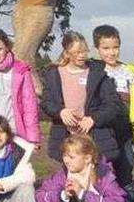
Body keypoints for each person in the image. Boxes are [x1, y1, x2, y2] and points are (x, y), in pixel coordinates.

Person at [92, 24, 134, 202]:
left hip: (126, 132)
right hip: (102, 132)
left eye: (115, 47)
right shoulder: (93, 70)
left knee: (125, 174)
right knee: (102, 174)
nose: (111, 53)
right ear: (97, 48)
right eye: (106, 48)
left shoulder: (130, 71)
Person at [41, 32, 122, 164]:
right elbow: (46, 102)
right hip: (66, 136)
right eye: (77, 52)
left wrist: (94, 119)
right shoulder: (53, 73)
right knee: (71, 180)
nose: (82, 55)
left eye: (84, 51)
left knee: (100, 180)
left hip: (94, 136)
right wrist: (60, 111)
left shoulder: (98, 72)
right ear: (66, 53)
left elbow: (113, 104)